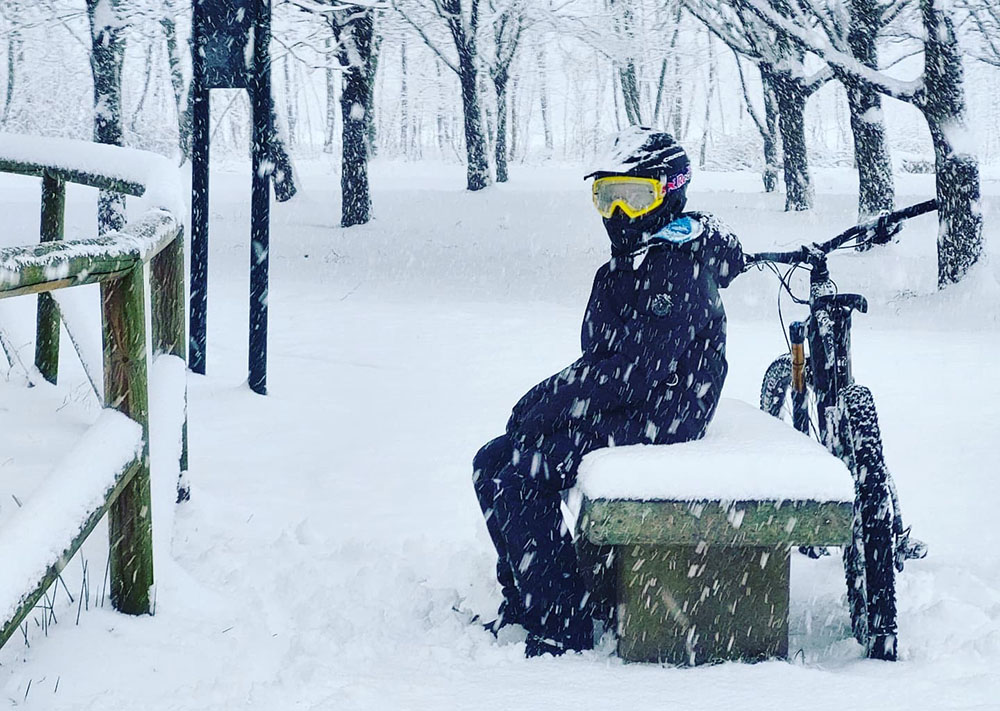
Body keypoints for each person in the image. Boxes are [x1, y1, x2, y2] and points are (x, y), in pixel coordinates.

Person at [472, 127, 745, 658]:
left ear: (671, 192)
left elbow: (635, 371)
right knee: (492, 461)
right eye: (607, 195)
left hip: (667, 414)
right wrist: (551, 401)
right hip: (638, 403)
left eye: (635, 195)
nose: (618, 212)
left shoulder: (676, 268)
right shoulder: (635, 259)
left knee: (526, 471)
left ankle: (560, 623)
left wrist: (550, 398)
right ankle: (529, 599)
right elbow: (606, 360)